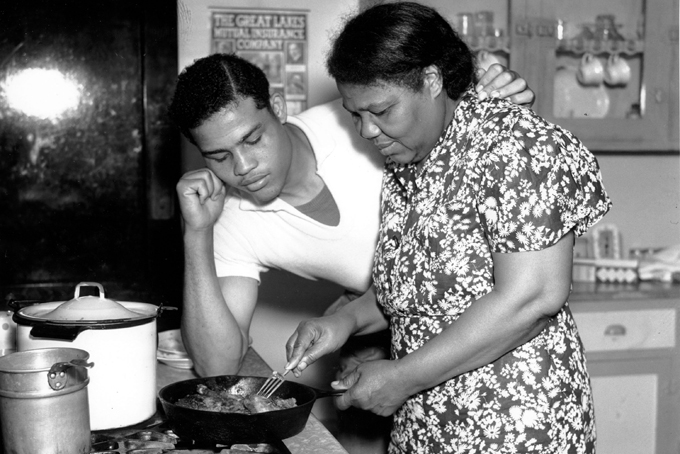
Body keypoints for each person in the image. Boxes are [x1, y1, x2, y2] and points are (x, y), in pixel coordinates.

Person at [284, 2, 612, 453]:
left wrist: (400, 377)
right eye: (356, 114)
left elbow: (533, 297)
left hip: (512, 427)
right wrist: (342, 321)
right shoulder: (409, 159)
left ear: (433, 80)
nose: (367, 131)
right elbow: (419, 290)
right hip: (426, 424)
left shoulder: (517, 146)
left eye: (381, 110)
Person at [168, 53, 535, 379]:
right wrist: (197, 234)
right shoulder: (233, 218)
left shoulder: (361, 119)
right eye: (219, 156)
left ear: (277, 107)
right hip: (383, 325)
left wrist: (496, 91)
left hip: (502, 321)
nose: (244, 167)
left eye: (252, 139)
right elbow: (217, 366)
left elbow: (447, 106)